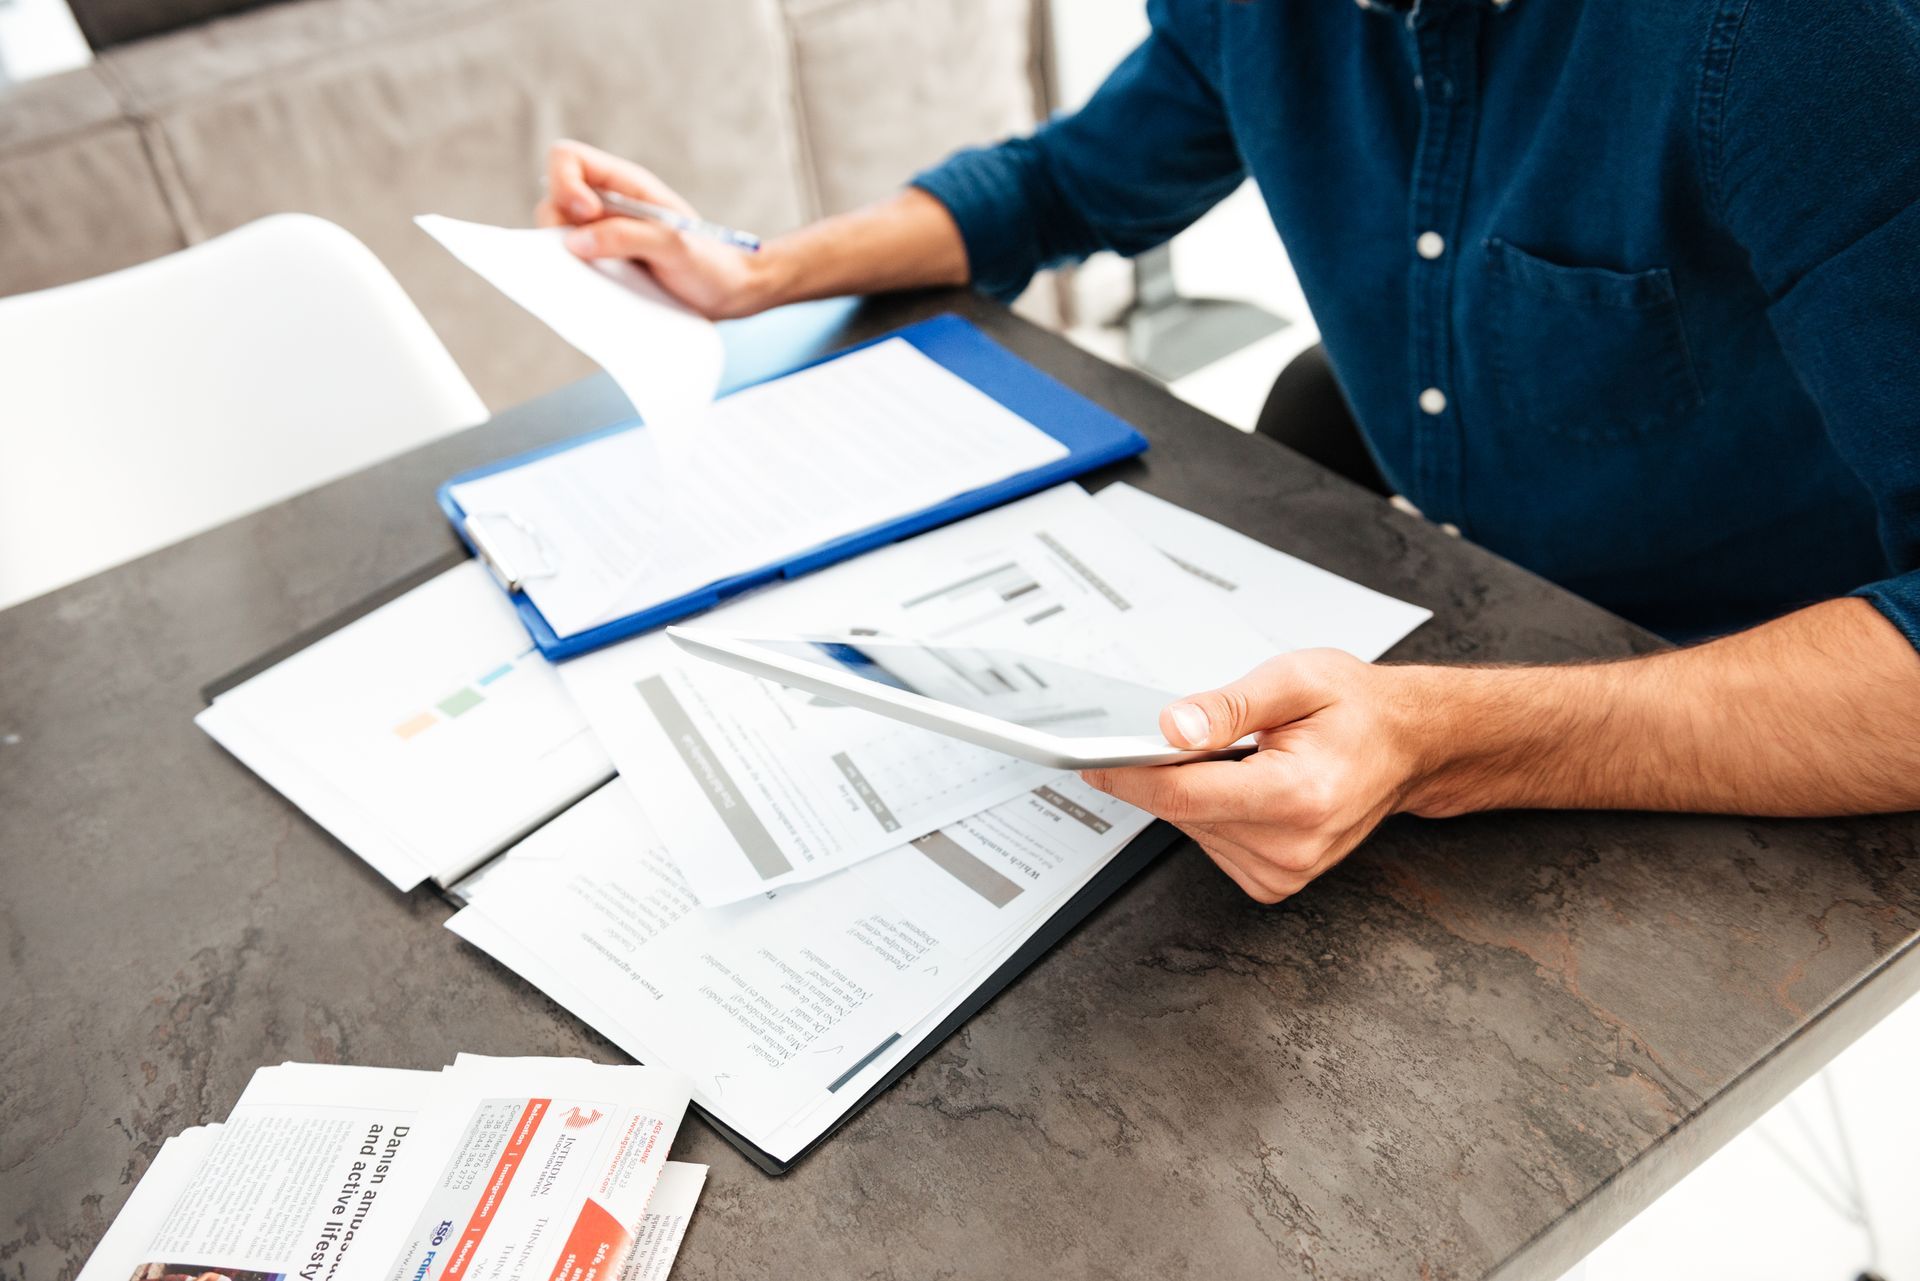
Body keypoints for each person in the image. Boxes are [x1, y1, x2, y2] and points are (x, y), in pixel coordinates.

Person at [534, 0, 1920, 905]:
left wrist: (1448, 742)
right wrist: (753, 270)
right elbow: (1066, 183)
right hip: (1473, 595)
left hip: (1766, 696)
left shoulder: (1808, 38)